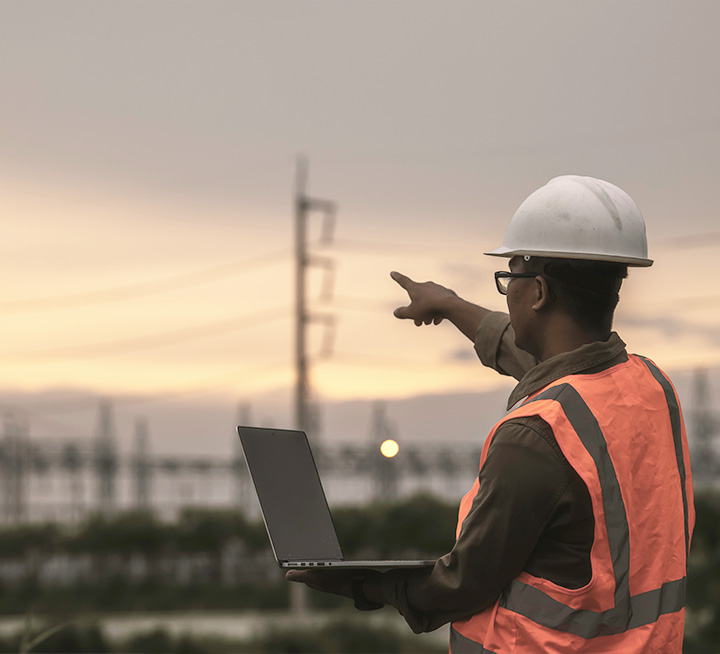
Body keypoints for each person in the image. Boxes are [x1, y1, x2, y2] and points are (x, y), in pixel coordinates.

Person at [287, 175, 694, 653]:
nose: (506, 294)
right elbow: (542, 360)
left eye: (510, 279)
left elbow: (460, 584)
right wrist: (450, 305)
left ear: (538, 292)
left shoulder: (538, 436)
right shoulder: (650, 387)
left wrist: (360, 587)